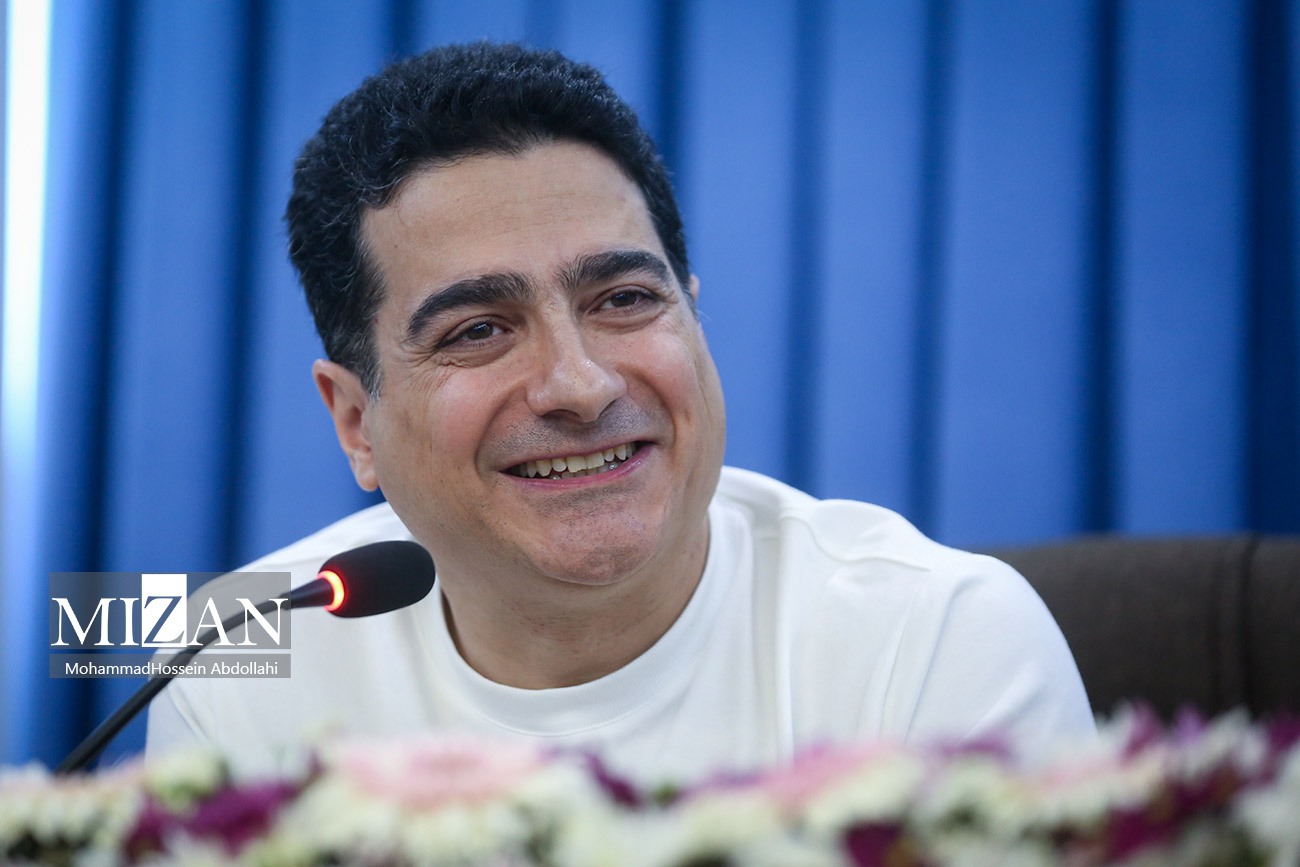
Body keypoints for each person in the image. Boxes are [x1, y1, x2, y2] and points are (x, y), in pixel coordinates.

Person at [146, 42, 1094, 783]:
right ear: (356, 421)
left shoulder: (938, 637)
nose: (581, 384)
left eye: (625, 300)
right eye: (479, 330)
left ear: (694, 317)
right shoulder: (240, 643)